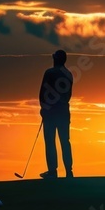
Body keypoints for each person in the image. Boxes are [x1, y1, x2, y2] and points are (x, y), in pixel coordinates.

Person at [39, 49, 73, 179]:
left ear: (56, 59)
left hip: (51, 113)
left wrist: (44, 108)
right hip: (64, 112)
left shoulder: (50, 73)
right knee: (65, 141)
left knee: (50, 141)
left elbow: (43, 92)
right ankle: (69, 171)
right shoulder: (69, 74)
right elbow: (68, 95)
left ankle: (53, 171)